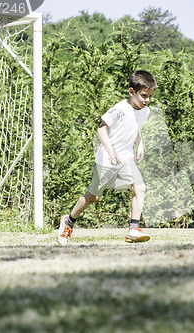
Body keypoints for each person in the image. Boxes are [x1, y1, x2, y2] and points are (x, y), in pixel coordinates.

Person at [57, 70, 156, 245]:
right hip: (107, 159)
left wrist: (140, 144)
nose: (147, 100)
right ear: (131, 92)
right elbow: (101, 129)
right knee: (93, 197)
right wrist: (110, 152)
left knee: (139, 188)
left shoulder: (144, 110)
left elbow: (136, 126)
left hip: (125, 159)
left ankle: (133, 229)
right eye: (143, 96)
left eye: (149, 96)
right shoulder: (120, 108)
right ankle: (69, 221)